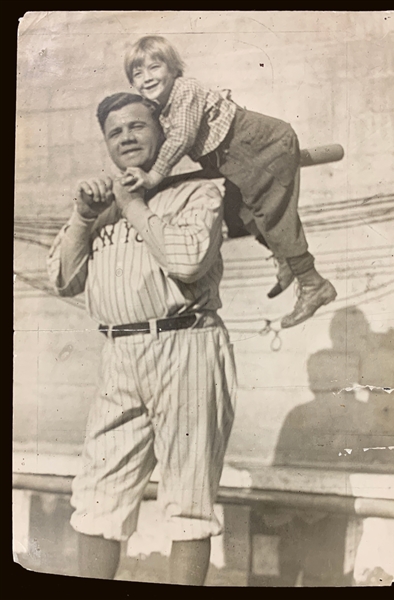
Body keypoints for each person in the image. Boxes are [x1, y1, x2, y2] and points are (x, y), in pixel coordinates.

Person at [47, 92, 237, 585]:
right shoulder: (98, 205)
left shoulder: (199, 190)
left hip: (186, 344)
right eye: (116, 132)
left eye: (137, 126)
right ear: (106, 144)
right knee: (97, 493)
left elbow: (189, 261)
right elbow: (63, 280)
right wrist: (85, 219)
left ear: (163, 131)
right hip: (119, 351)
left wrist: (132, 205)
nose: (127, 137)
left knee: (189, 496)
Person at [122, 35, 337, 329]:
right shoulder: (162, 109)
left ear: (173, 69)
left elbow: (182, 137)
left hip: (262, 146)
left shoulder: (185, 91)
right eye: (137, 73)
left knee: (273, 215)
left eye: (154, 68)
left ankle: (313, 284)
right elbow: (164, 144)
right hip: (239, 159)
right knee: (238, 213)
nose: (146, 78)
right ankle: (284, 257)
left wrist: (155, 175)